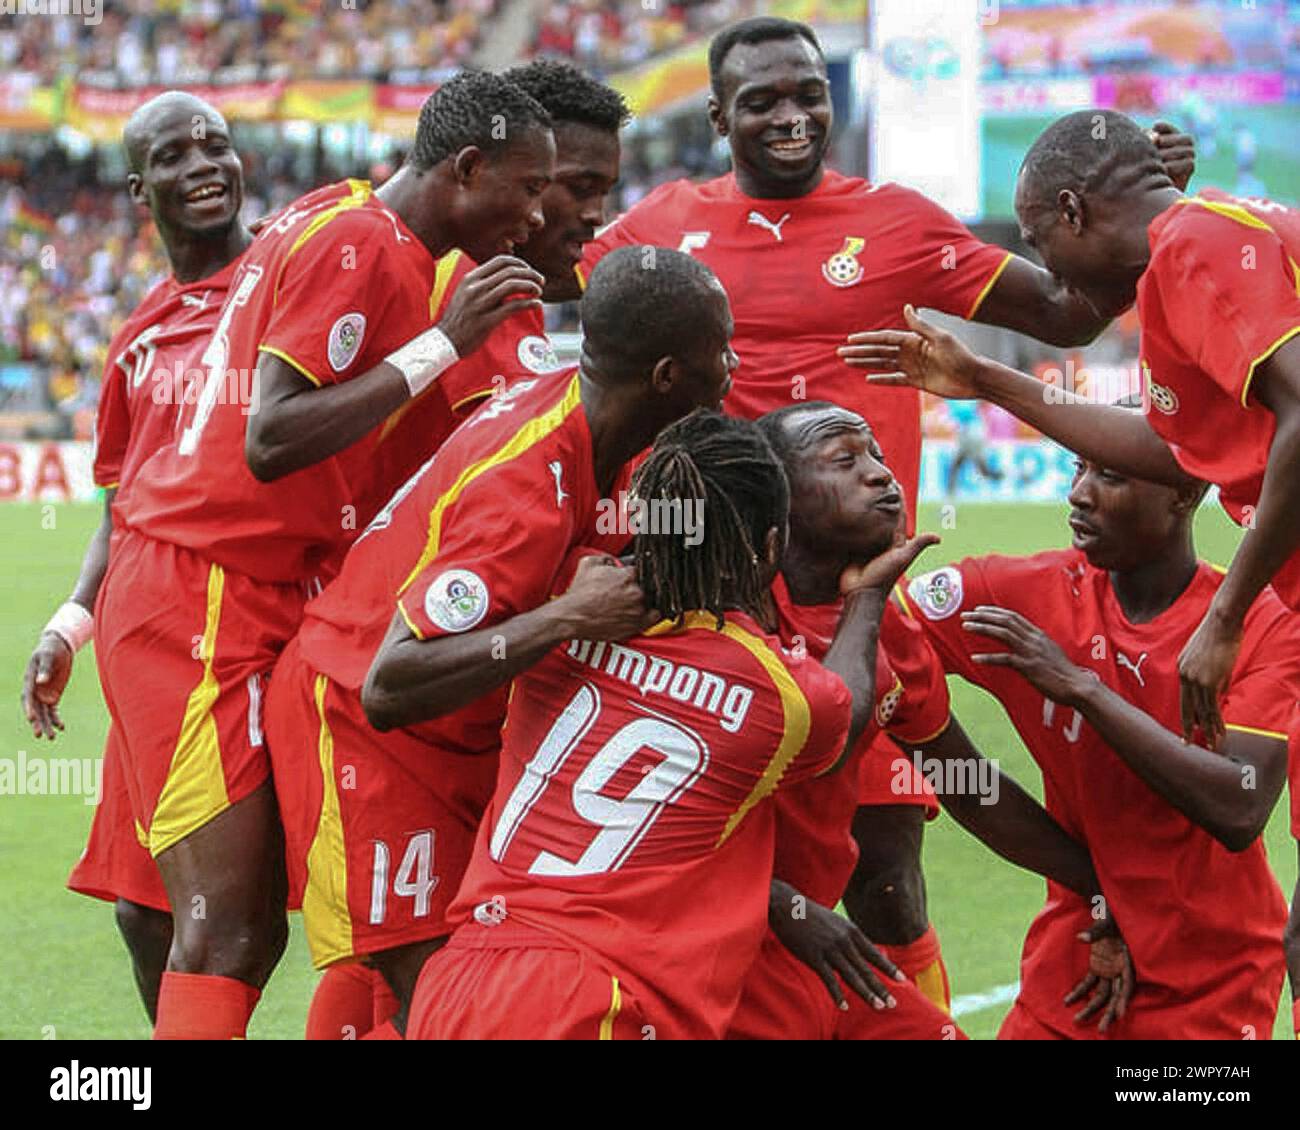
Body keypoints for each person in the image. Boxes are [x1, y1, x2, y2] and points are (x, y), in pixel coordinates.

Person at [579, 19, 1194, 988]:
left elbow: (1069, 311)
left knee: (889, 874)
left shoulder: (898, 222)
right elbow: (575, 325)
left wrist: (1153, 212)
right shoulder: (655, 231)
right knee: (716, 861)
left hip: (857, 598)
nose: (791, 116)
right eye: (762, 101)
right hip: (712, 605)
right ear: (715, 115)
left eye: (807, 94)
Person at [93, 72, 557, 1040]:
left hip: (260, 585)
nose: (539, 210)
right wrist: (443, 344)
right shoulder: (361, 241)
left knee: (263, 918)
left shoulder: (334, 217)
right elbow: (273, 436)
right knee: (225, 929)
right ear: (468, 170)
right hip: (198, 587)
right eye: (527, 186)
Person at [264, 247, 739, 1037]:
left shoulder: (596, 424)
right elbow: (392, 682)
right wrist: (566, 619)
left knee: (435, 979)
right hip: (361, 726)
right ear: (664, 376)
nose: (733, 365)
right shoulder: (525, 488)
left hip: (460, 735)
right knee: (447, 1000)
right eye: (720, 349)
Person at [301, 56, 635, 1041]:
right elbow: (309, 449)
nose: (582, 218)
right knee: (402, 948)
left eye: (596, 194)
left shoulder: (539, 300)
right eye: (567, 189)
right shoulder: (436, 286)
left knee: (434, 942)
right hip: (391, 666)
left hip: (483, 682)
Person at [406, 410, 929, 1040]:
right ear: (770, 547)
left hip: (462, 972)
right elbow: (843, 718)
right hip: (595, 998)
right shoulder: (780, 693)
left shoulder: (564, 614)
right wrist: (868, 596)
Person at [843, 108, 1300, 746]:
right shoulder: (1198, 250)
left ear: (1072, 212)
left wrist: (1225, 617)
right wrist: (982, 378)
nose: (1051, 272)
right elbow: (1172, 453)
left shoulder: (1196, 241)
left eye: (1038, 242)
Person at [898, 436, 1300, 1038]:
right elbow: (881, 641)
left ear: (1186, 494)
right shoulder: (1028, 595)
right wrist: (944, 755)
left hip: (1212, 970)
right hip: (1080, 946)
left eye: (1110, 474)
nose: (1078, 493)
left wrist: (1083, 690)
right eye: (1078, 468)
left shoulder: (1260, 623)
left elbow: (1239, 806)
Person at [731, 401, 1109, 1040]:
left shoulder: (891, 633)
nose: (882, 474)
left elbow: (966, 783)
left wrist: (1105, 887)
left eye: (876, 454)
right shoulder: (728, 613)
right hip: (713, 933)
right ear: (778, 501)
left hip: (806, 939)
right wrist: (784, 906)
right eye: (844, 461)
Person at [20, 91, 252, 1024]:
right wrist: (67, 624)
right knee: (141, 911)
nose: (202, 165)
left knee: (241, 912)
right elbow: (123, 512)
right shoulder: (138, 339)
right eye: (173, 155)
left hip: (246, 629)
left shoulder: (286, 280)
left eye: (217, 146)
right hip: (151, 650)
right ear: (135, 189)